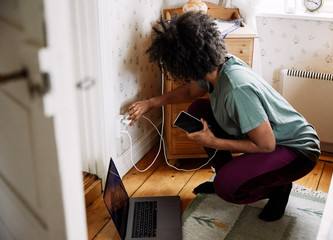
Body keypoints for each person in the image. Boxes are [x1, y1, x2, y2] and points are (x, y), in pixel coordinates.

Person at [128, 11, 320, 222]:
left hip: (297, 150)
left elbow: (266, 145)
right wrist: (150, 103)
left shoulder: (236, 88)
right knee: (198, 111)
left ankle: (278, 188)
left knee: (227, 188)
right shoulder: (217, 67)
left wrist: (214, 142)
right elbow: (190, 91)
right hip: (273, 138)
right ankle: (230, 173)